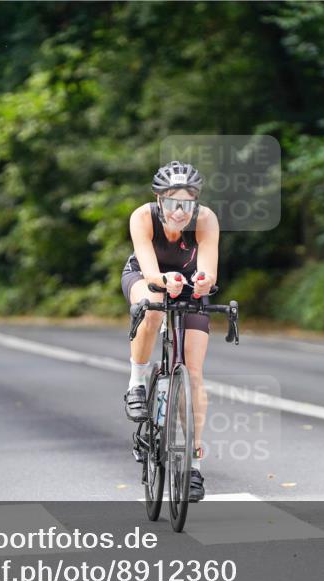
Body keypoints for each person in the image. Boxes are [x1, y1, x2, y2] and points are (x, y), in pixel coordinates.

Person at [121, 161, 219, 502]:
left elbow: (208, 270)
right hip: (147, 278)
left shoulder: (205, 220)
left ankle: (192, 465)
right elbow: (149, 270)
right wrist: (165, 281)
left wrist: (203, 281)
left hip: (188, 285)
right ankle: (136, 382)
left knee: (193, 373)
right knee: (151, 306)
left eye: (188, 203)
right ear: (159, 200)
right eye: (173, 202)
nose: (180, 211)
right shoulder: (142, 217)